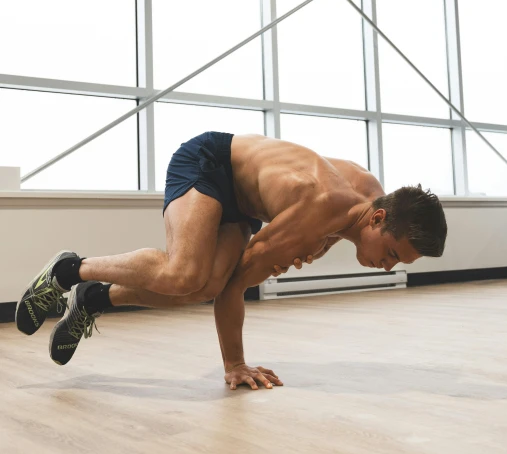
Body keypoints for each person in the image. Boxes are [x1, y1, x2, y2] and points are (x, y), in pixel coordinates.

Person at [16, 131, 447, 389]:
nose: (389, 266)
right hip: (210, 162)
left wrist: (315, 243)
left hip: (246, 204)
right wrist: (235, 364)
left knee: (201, 286)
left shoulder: (370, 194)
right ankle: (67, 270)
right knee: (186, 274)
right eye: (391, 254)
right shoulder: (321, 207)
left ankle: (93, 300)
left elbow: (332, 216)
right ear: (377, 219)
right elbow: (235, 287)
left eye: (398, 262)